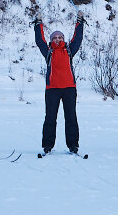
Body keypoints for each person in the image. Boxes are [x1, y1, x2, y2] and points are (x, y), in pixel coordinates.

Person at [33, 14, 84, 154]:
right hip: (52, 89)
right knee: (50, 118)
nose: (57, 39)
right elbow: (39, 40)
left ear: (63, 39)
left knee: (71, 118)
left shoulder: (69, 51)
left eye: (60, 37)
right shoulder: (48, 51)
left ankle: (73, 145)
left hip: (69, 89)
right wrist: (38, 24)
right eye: (54, 38)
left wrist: (79, 22)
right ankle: (48, 145)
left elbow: (77, 38)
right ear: (51, 40)